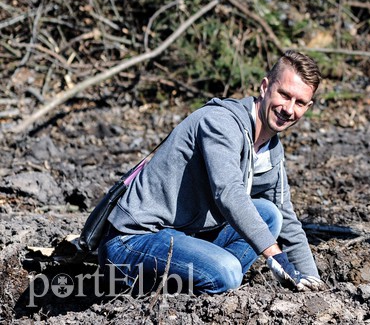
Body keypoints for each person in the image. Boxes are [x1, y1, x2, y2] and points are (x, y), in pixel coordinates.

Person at [99, 50, 326, 293]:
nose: (289, 109)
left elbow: (288, 219)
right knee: (227, 271)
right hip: (134, 240)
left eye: (299, 103)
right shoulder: (221, 123)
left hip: (183, 236)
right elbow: (228, 193)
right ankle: (196, 284)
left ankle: (209, 279)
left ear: (308, 106)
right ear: (264, 87)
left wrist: (314, 283)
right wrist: (275, 256)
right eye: (284, 95)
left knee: (270, 215)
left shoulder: (271, 150)